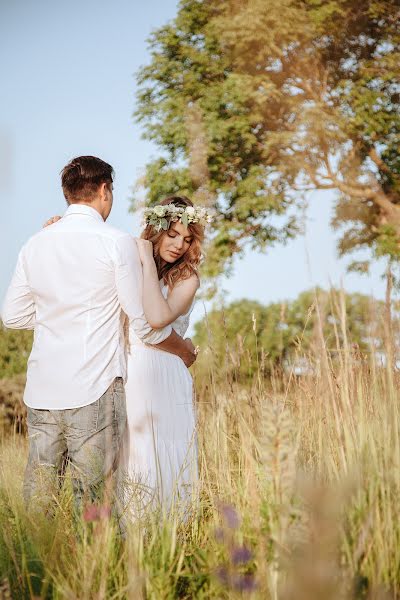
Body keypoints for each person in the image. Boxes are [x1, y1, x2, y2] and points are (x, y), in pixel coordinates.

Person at [1, 156, 196, 518]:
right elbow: (142, 324)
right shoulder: (116, 242)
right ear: (105, 191)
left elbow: (12, 316)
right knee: (93, 500)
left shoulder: (36, 242)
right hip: (94, 387)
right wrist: (184, 349)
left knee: (40, 494)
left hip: (42, 390)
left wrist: (59, 318)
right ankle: (96, 572)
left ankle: (31, 569)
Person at [123, 196, 212, 516]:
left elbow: (158, 318)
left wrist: (147, 262)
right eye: (173, 234)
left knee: (168, 449)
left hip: (167, 375)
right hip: (134, 372)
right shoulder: (129, 261)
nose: (178, 245)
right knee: (136, 451)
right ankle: (133, 536)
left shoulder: (187, 278)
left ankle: (171, 535)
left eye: (187, 239)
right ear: (157, 230)